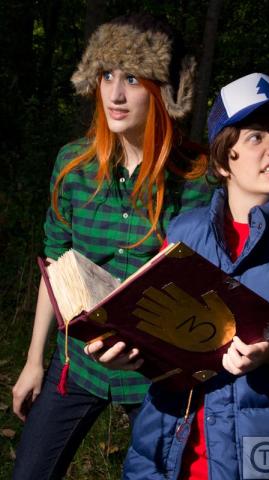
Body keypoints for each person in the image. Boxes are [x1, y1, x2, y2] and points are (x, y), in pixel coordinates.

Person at [11, 14, 215, 479]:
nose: (115, 95)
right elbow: (55, 267)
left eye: (132, 79)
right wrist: (33, 362)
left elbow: (201, 288)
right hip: (76, 366)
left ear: (163, 90)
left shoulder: (199, 177)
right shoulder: (73, 166)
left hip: (154, 377)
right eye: (106, 75)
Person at [122, 73, 269, 479]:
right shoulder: (184, 232)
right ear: (222, 159)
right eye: (256, 137)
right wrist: (129, 350)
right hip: (167, 457)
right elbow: (163, 343)